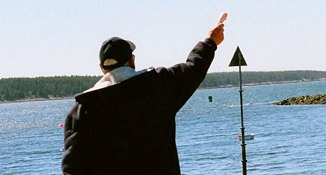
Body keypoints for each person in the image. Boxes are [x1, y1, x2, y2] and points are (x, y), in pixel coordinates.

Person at [62, 13, 228, 175]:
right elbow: (193, 68)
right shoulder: (158, 85)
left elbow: (72, 168)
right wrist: (210, 41)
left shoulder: (82, 110)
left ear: (102, 68)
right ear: (132, 61)